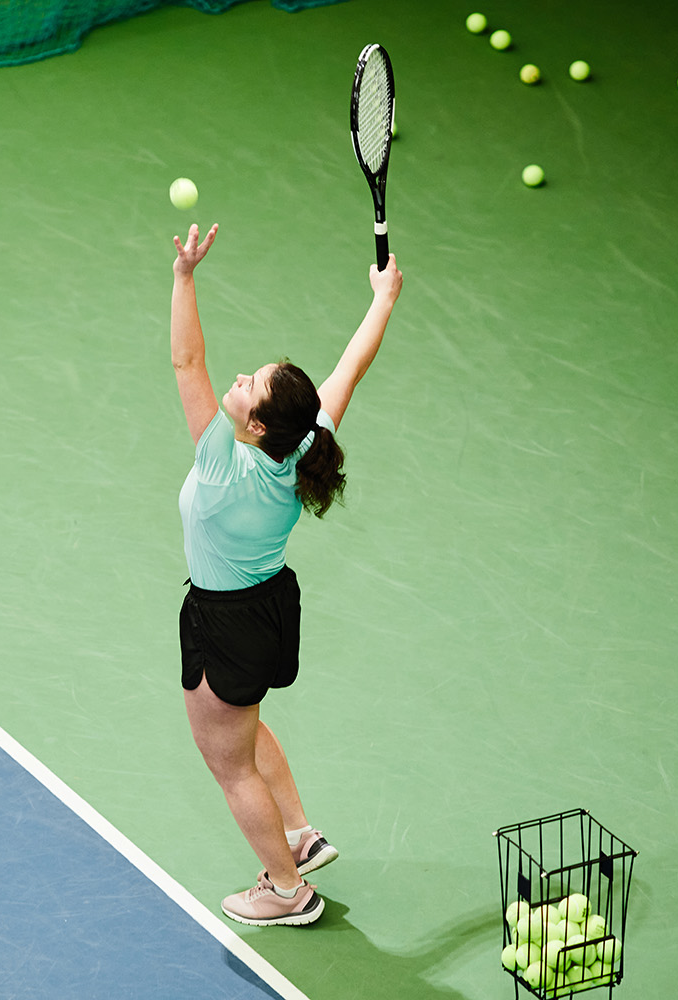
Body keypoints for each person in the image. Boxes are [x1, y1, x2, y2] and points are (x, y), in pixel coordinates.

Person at [171, 222, 403, 926]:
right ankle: (299, 833)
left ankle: (286, 889)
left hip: (226, 620)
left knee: (228, 761)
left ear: (255, 427)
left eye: (251, 387)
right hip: (271, 608)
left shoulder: (220, 464)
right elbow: (350, 368)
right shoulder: (303, 444)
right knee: (245, 727)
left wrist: (183, 278)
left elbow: (187, 364)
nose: (238, 380)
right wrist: (383, 298)